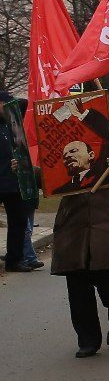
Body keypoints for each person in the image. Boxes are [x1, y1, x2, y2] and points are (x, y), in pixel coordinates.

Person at [50, 165, 109, 358]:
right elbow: (49, 180)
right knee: (78, 289)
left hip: (108, 228)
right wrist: (27, 171)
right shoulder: (65, 164)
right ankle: (88, 340)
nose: (69, 155)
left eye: (74, 151)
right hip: (73, 229)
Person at [2, 91, 33, 273]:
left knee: (18, 222)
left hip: (13, 183)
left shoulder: (12, 124)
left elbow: (24, 102)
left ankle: (14, 259)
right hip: (2, 180)